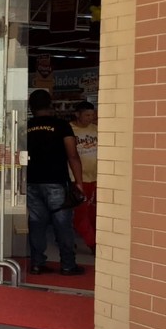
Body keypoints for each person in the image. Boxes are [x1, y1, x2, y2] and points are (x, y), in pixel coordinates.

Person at [26, 89, 85, 276]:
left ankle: (37, 263)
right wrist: (79, 182)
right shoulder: (61, 126)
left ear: (30, 107)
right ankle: (68, 265)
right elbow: (73, 155)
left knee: (36, 224)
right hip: (56, 182)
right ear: (50, 105)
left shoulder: (24, 127)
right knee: (62, 225)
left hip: (32, 182)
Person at [70, 101, 98, 252]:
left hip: (96, 177)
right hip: (78, 179)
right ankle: (92, 243)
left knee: (93, 212)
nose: (90, 118)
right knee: (80, 213)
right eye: (87, 115)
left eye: (92, 114)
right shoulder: (69, 130)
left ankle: (95, 238)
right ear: (77, 114)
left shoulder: (96, 129)